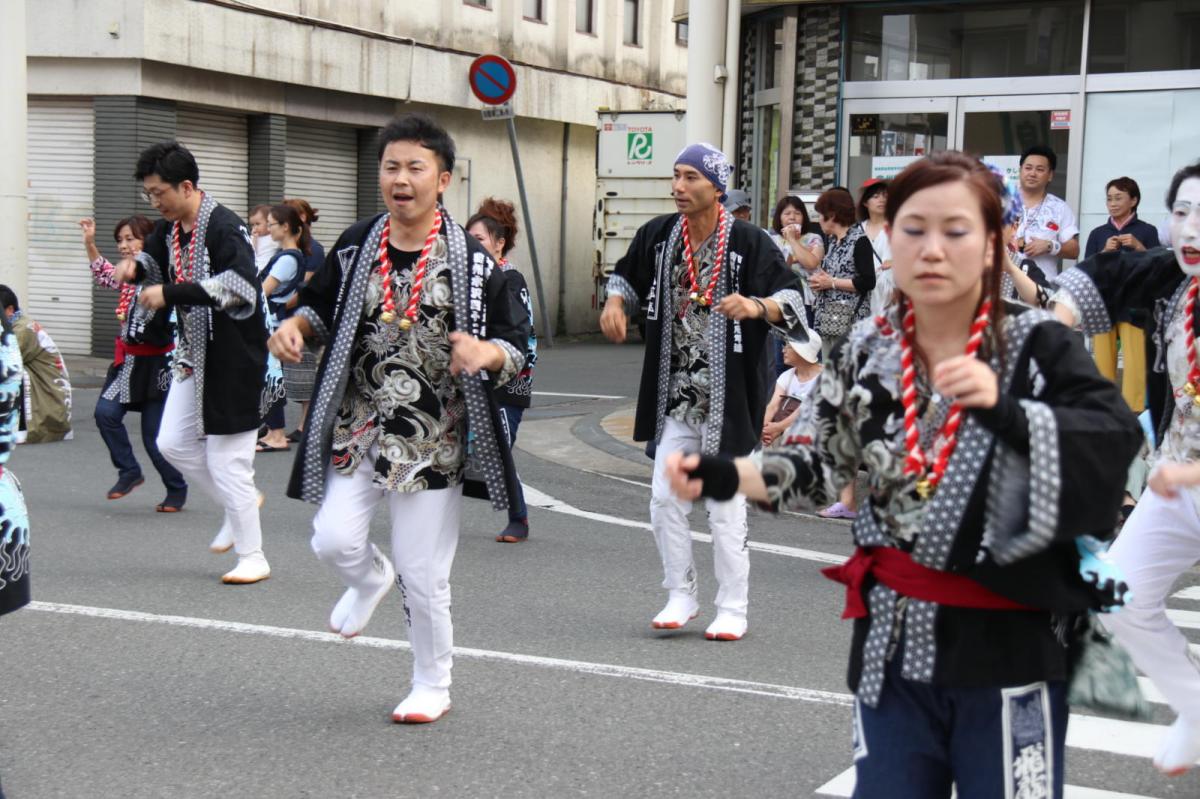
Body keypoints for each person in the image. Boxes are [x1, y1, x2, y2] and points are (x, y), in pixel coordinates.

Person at [666, 151, 1142, 799]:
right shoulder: (869, 345)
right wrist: (724, 476)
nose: (932, 248)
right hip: (895, 640)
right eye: (914, 229)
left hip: (1012, 645)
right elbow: (820, 463)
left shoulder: (1037, 343)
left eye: (956, 230)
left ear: (992, 243)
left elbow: (1113, 446)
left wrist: (1008, 413)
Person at [269, 113, 530, 724]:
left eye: (415, 167)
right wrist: (295, 327)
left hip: (433, 436)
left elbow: (517, 344)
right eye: (391, 167)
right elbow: (319, 306)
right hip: (359, 423)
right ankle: (367, 579)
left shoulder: (474, 262)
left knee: (423, 572)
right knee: (332, 539)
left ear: (443, 179)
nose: (401, 179)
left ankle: (432, 682)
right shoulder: (358, 243)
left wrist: (487, 352)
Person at [599, 142, 805, 642]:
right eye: (676, 175)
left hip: (729, 400)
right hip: (677, 398)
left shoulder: (750, 242)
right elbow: (626, 275)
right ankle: (680, 593)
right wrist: (615, 302)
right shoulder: (660, 235)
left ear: (717, 187)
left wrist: (756, 307)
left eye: (690, 177)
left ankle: (732, 606)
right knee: (663, 500)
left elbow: (792, 297)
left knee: (724, 507)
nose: (679, 186)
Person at [1052, 160, 1200, 776]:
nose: (1191, 227)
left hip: (1185, 478)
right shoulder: (1174, 278)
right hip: (1177, 478)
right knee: (1120, 594)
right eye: (1182, 212)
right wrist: (1058, 324)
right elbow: (1108, 274)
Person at [115, 140, 270, 585]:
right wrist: (135, 268)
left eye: (159, 192)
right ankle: (237, 506)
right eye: (148, 194)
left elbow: (240, 286)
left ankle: (253, 556)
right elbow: (155, 260)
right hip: (193, 354)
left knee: (228, 461)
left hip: (235, 355)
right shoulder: (171, 228)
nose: (154, 202)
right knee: (172, 443)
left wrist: (169, 293)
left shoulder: (224, 226)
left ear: (186, 186)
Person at [80, 215, 187, 510]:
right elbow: (106, 275)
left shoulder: (159, 274)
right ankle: (129, 470)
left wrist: (140, 260)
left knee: (153, 437)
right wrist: (90, 243)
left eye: (131, 239)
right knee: (105, 414)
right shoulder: (128, 278)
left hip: (158, 365)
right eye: (120, 240)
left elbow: (148, 268)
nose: (124, 245)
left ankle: (176, 488)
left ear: (148, 241)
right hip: (128, 362)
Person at [466, 197, 538, 543]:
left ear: (499, 242)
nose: (472, 246)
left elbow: (521, 339)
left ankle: (518, 517)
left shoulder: (510, 279)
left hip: (509, 382)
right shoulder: (469, 279)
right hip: (473, 380)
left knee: (497, 449)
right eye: (468, 240)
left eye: (479, 239)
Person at [1084, 177, 1161, 414]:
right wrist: (1103, 252)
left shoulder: (1147, 231)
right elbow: (1086, 270)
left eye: (1119, 198)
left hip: (1134, 304)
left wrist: (1139, 247)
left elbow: (1159, 269)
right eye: (1109, 198)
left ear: (1134, 200)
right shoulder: (1098, 233)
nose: (1113, 203)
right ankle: (1103, 410)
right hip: (1104, 303)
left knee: (1135, 361)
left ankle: (1134, 412)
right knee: (1102, 360)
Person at [256, 203, 309, 454]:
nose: (268, 229)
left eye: (271, 224)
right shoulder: (288, 255)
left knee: (271, 378)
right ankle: (272, 430)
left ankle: (276, 433)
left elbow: (263, 291)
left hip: (273, 324)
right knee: (269, 377)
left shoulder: (287, 258)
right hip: (274, 323)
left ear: (285, 227)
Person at [810, 188, 876, 361]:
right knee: (829, 368)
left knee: (845, 369)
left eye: (821, 215)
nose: (819, 220)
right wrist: (821, 280)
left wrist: (831, 282)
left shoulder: (859, 241)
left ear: (832, 215)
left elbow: (867, 281)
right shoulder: (833, 241)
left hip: (849, 320)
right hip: (828, 318)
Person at [0, 286, 72, 445]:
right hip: (42, 390)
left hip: (46, 401)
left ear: (9, 310)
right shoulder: (15, 324)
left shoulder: (22, 330)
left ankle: (17, 429)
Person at [280, 197, 325, 444]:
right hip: (285, 318)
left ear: (302, 218)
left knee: (305, 376)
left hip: (303, 320)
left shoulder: (313, 250)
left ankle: (305, 425)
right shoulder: (288, 248)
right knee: (290, 376)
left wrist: (277, 304)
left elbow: (304, 288)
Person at [1015, 145, 1079, 279]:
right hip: (1001, 285)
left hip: (1041, 286)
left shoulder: (1059, 208)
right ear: (1020, 170)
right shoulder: (1000, 202)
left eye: (1040, 169)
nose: (1032, 173)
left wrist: (1050, 246)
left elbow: (1074, 250)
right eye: (1028, 168)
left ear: (1050, 175)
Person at [760, 331, 822, 449]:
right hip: (785, 426)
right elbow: (773, 406)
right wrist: (763, 429)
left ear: (802, 351)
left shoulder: (825, 378)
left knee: (790, 432)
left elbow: (804, 411)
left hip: (815, 431)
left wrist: (778, 428)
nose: (783, 350)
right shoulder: (787, 375)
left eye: (788, 346)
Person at [857, 179, 893, 315]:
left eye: (885, 196)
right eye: (876, 196)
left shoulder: (898, 227)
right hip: (864, 293)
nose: (881, 200)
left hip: (892, 293)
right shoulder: (857, 230)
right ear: (865, 202)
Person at [248, 204, 280, 273]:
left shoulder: (273, 237)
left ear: (269, 223)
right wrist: (254, 239)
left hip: (266, 269)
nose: (255, 227)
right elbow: (250, 252)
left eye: (258, 224)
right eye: (252, 225)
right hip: (254, 268)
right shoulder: (253, 237)